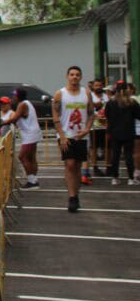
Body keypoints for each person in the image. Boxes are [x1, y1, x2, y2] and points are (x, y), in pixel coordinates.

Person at [52, 66, 94, 213]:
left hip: (81, 135)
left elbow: (91, 113)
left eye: (77, 75)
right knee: (69, 164)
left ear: (81, 77)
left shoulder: (86, 93)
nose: (74, 77)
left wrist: (87, 129)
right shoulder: (60, 94)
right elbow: (55, 115)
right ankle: (71, 197)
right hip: (66, 135)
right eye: (72, 74)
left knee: (77, 166)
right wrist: (61, 135)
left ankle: (76, 194)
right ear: (67, 76)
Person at [4, 90, 42, 189]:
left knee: (22, 156)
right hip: (32, 132)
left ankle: (32, 181)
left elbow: (14, 118)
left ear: (18, 96)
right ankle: (34, 179)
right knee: (31, 157)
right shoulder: (27, 103)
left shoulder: (22, 104)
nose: (13, 98)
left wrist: (1, 123)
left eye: (14, 96)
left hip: (30, 133)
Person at [104, 82, 140, 185]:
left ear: (116, 90)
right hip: (129, 132)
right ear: (127, 90)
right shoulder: (132, 102)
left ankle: (115, 177)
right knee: (128, 155)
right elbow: (139, 115)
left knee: (115, 155)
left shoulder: (111, 103)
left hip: (115, 132)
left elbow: (107, 115)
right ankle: (131, 178)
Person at [85, 77, 109, 183]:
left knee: (107, 147)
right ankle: (95, 167)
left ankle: (108, 166)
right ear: (93, 87)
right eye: (96, 85)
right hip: (94, 126)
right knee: (93, 147)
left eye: (100, 85)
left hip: (106, 126)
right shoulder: (90, 96)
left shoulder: (106, 96)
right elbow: (86, 109)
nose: (98, 87)